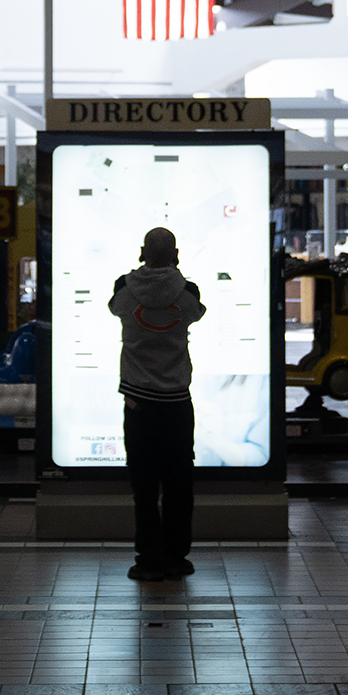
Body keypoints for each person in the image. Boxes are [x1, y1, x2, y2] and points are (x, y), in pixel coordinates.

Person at [107, 224, 207, 581]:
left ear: (141, 253)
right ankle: (176, 556)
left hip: (138, 405)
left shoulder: (123, 291)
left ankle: (148, 558)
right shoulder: (189, 295)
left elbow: (114, 308)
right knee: (180, 486)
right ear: (176, 255)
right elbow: (197, 313)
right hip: (177, 405)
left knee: (144, 487)